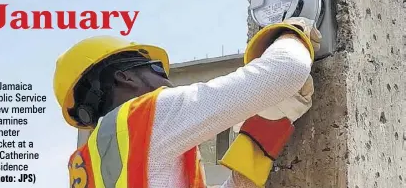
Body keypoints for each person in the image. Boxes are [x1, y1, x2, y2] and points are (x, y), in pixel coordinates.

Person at [53, 17, 321, 188]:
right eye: (156, 68)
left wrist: (263, 130)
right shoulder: (145, 116)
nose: (167, 80)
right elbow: (287, 70)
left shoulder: (91, 163)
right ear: (125, 77)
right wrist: (291, 33)